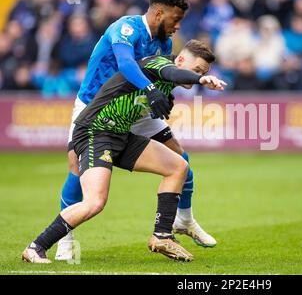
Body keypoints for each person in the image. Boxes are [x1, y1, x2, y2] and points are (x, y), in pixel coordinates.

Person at [21, 40, 227, 264]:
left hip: (120, 134)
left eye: (203, 72)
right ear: (180, 60)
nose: (197, 74)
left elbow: (171, 81)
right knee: (95, 202)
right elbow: (173, 74)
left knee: (178, 166)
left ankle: (162, 235)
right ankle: (36, 247)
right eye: (196, 69)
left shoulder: (171, 79)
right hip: (95, 131)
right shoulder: (158, 63)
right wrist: (199, 79)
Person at [55, 0, 215, 262]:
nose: (178, 25)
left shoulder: (164, 42)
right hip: (96, 106)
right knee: (77, 170)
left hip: (134, 107)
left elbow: (160, 73)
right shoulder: (126, 28)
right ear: (159, 12)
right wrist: (151, 90)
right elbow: (127, 65)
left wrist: (161, 95)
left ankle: (184, 220)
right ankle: (64, 238)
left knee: (180, 158)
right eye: (176, 19)